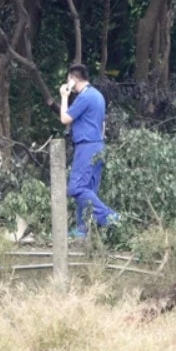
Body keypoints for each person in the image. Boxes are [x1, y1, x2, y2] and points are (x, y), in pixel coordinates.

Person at [59, 63, 119, 239]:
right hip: (98, 144)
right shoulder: (98, 95)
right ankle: (82, 229)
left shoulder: (84, 97)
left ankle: (111, 217)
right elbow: (102, 124)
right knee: (88, 189)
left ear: (72, 79)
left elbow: (64, 118)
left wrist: (64, 96)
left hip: (87, 145)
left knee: (76, 188)